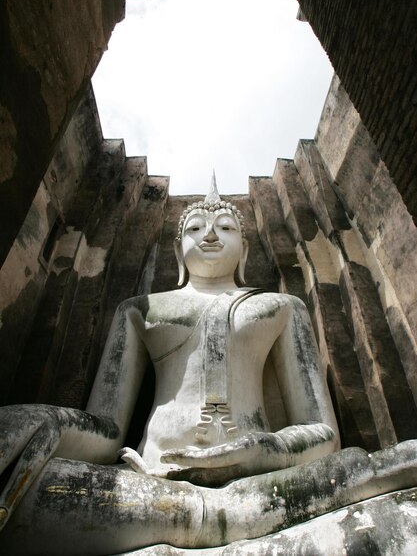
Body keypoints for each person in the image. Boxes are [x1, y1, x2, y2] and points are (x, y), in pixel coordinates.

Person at [1, 176, 413, 555]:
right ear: (179, 248)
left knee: (379, 486)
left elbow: (324, 436)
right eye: (195, 228)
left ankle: (217, 515)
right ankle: (214, 515)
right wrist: (46, 422)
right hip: (150, 482)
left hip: (265, 482)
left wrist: (264, 449)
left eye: (226, 228)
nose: (210, 234)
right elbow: (108, 432)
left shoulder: (283, 307)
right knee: (33, 487)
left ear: (245, 249)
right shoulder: (140, 310)